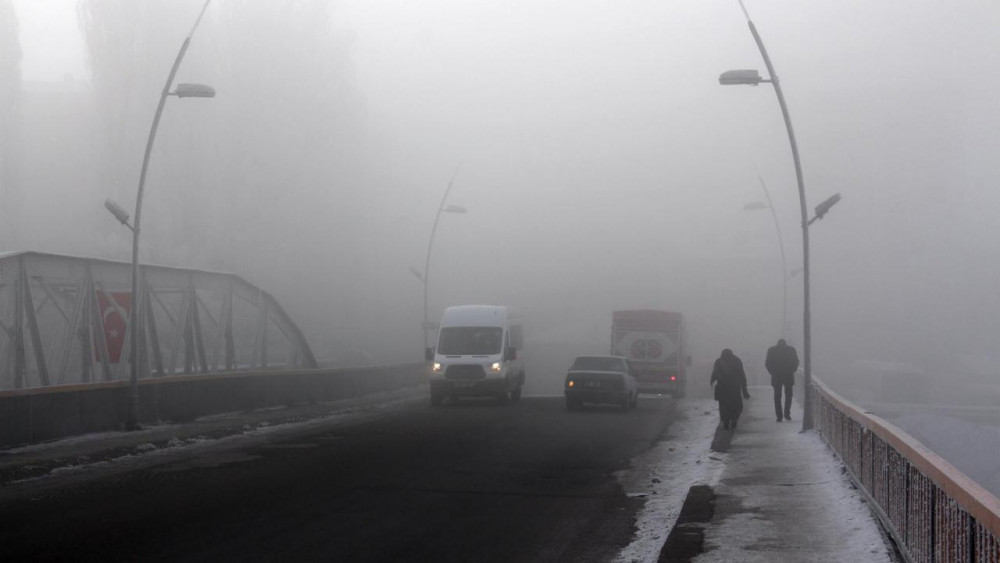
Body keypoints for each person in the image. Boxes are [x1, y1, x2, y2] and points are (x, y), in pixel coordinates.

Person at [710, 349, 750, 430]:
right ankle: (734, 418)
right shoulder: (737, 361)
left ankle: (725, 421)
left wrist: (712, 381)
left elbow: (714, 373)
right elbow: (742, 376)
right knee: (737, 405)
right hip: (734, 387)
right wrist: (745, 390)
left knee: (724, 406)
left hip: (722, 388)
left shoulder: (718, 361)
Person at [765, 339, 800, 422]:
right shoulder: (791, 350)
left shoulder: (771, 350)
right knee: (789, 396)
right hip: (788, 376)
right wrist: (792, 370)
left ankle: (779, 416)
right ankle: (787, 414)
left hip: (776, 376)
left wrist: (772, 372)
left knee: (777, 397)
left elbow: (767, 363)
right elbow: (796, 362)